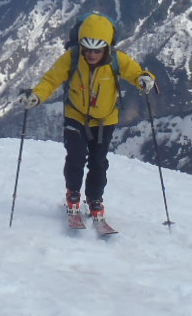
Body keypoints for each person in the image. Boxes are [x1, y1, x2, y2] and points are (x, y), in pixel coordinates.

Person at [19, 13, 156, 221]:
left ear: (106, 48)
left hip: (105, 120)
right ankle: (73, 193)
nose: (91, 54)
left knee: (98, 162)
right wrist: (36, 97)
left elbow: (136, 73)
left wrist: (146, 79)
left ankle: (95, 198)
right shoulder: (72, 57)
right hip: (76, 116)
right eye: (88, 50)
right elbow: (51, 80)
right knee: (75, 157)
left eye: (97, 50)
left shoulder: (117, 60)